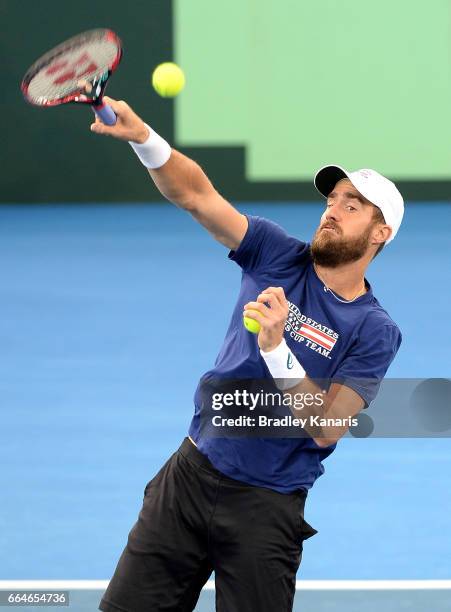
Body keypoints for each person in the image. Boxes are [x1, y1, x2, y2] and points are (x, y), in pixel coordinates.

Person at [94, 96, 403, 612]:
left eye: (353, 206)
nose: (332, 210)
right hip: (189, 479)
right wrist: (144, 138)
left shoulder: (374, 330)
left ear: (380, 233)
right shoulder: (275, 251)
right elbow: (196, 195)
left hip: (266, 509)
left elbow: (327, 426)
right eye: (332, 200)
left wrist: (278, 348)